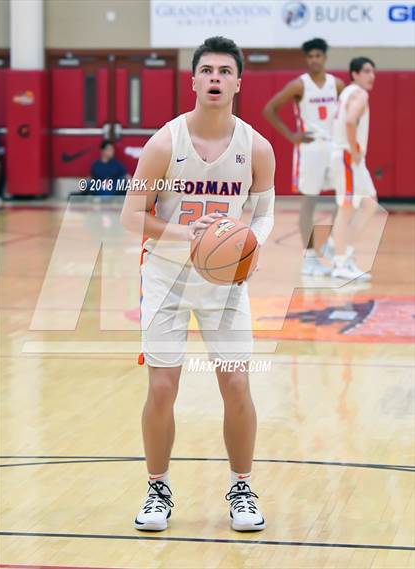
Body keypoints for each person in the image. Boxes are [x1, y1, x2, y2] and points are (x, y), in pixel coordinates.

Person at [121, 36, 275, 532]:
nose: (215, 78)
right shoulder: (165, 144)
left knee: (235, 383)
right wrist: (192, 235)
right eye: (206, 70)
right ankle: (158, 488)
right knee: (163, 387)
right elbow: (131, 216)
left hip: (224, 284)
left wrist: (251, 246)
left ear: (237, 83)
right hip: (166, 277)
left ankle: (242, 486)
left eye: (224, 71)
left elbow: (266, 214)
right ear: (192, 80)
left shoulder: (257, 147)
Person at [263, 38, 344, 276]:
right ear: (306, 59)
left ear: (325, 58)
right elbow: (269, 109)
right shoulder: (299, 85)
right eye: (310, 56)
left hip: (334, 147)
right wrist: (291, 136)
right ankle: (309, 257)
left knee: (344, 199)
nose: (314, 60)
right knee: (309, 201)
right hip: (310, 149)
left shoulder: (337, 84)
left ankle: (326, 243)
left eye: (318, 55)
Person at [330, 57, 378, 281]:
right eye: (366, 71)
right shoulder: (360, 93)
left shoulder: (347, 92)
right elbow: (350, 121)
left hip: (347, 157)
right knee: (346, 209)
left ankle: (342, 248)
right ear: (355, 74)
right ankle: (340, 263)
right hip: (348, 156)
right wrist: (354, 149)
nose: (372, 76)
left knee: (369, 203)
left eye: (373, 72)